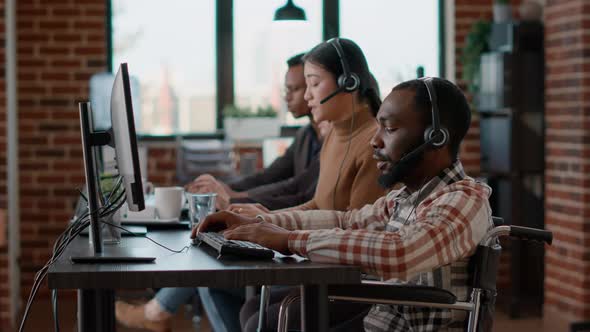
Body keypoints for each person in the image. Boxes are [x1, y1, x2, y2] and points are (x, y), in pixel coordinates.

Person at [194, 77, 493, 331]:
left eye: (389, 129)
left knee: (270, 320)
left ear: (436, 138)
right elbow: (344, 221)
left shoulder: (464, 201)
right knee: (255, 312)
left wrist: (288, 240)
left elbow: (399, 252)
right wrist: (259, 225)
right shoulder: (405, 198)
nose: (375, 141)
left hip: (398, 324)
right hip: (379, 319)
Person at [114, 53, 322, 332]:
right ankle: (157, 311)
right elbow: (271, 177)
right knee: (207, 264)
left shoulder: (331, 143)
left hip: (299, 246)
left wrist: (234, 199)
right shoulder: (308, 136)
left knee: (206, 265)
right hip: (284, 232)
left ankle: (156, 312)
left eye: (299, 88)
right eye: (291, 88)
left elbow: (298, 194)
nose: (293, 96)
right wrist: (228, 190)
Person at [187, 52, 322, 210]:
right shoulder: (305, 135)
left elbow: (298, 190)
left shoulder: (335, 139)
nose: (287, 98)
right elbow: (269, 176)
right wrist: (225, 189)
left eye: (295, 89)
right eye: (287, 90)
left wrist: (235, 198)